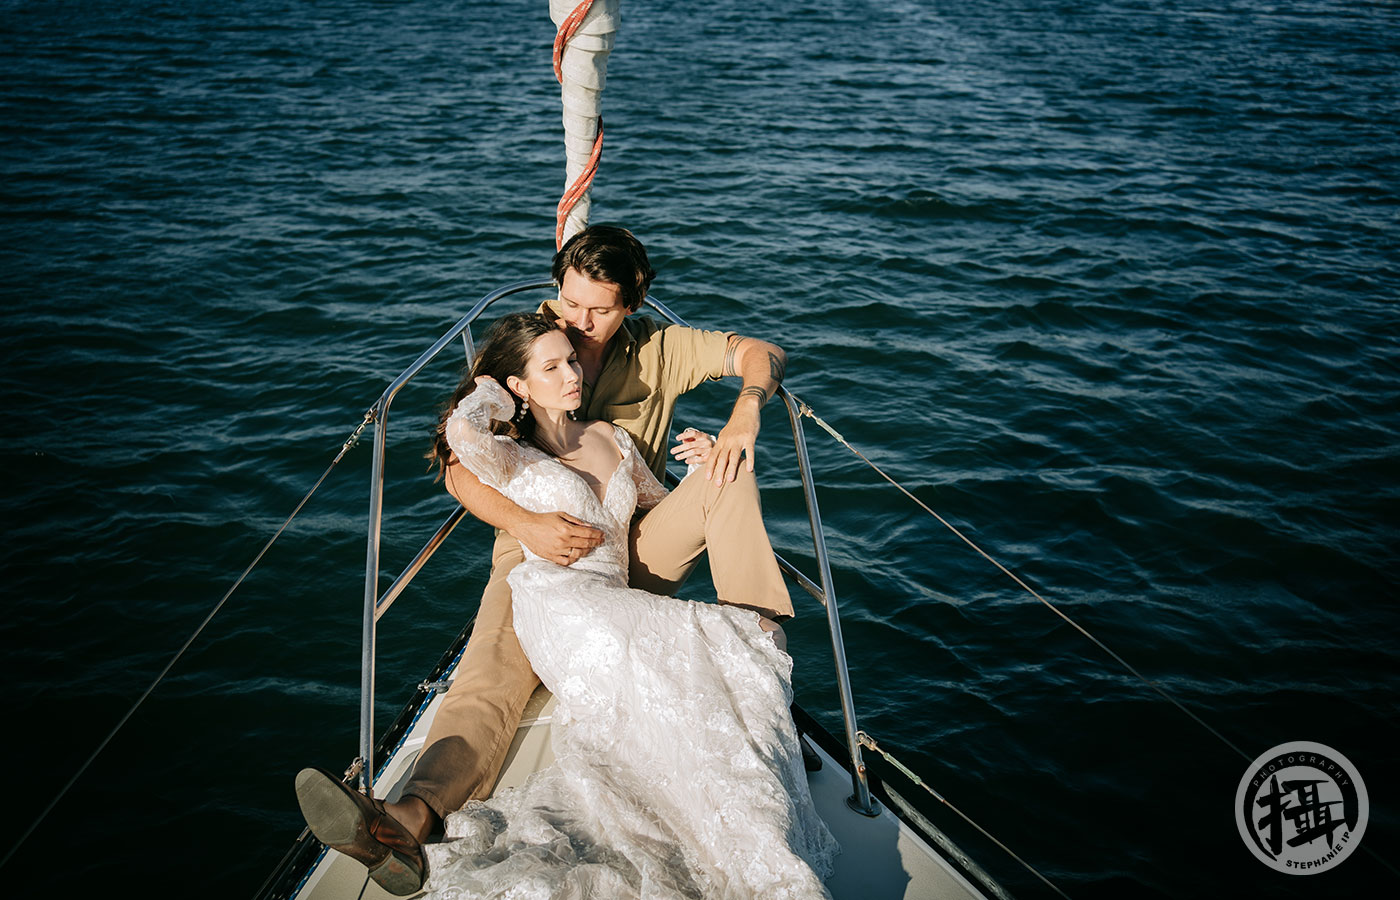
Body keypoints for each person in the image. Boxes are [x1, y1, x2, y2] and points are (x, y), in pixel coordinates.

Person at [295, 226, 808, 895]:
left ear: (633, 303)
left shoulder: (662, 350)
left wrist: (743, 418)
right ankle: (407, 819)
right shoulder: (533, 346)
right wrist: (524, 523)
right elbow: (456, 461)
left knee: (728, 472)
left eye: (598, 309)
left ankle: (762, 681)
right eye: (568, 301)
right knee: (489, 677)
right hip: (536, 547)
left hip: (633, 534)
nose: (577, 322)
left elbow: (761, 352)